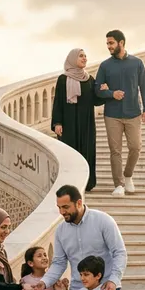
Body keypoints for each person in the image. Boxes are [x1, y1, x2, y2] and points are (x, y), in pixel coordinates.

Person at [94, 29, 145, 196]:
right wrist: (112, 93)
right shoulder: (105, 66)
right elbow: (97, 89)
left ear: (121, 43)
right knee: (115, 150)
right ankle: (118, 184)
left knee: (135, 147)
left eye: (111, 43)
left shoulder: (137, 63)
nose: (108, 46)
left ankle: (128, 176)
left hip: (134, 113)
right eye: (107, 43)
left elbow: (144, 87)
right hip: (112, 114)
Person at [51, 48, 103, 192]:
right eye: (81, 56)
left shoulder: (89, 79)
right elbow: (58, 102)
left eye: (85, 56)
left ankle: (87, 183)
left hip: (86, 124)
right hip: (69, 124)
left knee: (87, 152)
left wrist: (105, 91)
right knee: (70, 154)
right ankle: (69, 184)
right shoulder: (63, 79)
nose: (84, 58)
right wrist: (57, 123)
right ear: (73, 59)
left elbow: (96, 100)